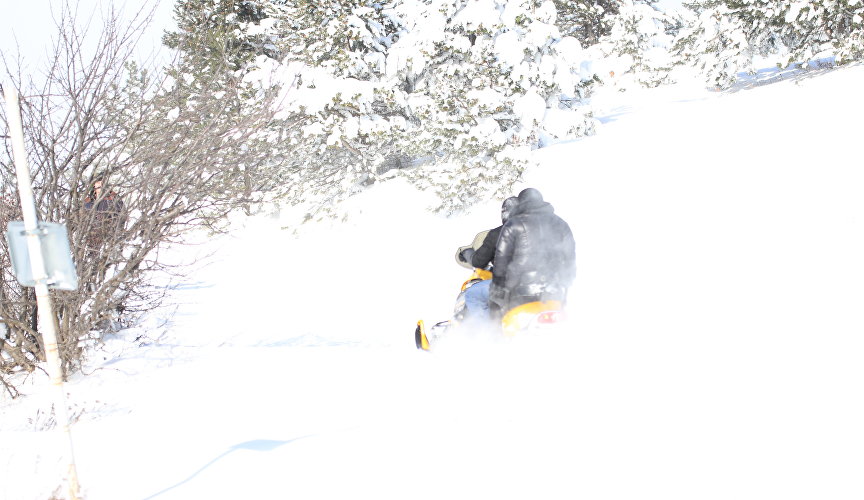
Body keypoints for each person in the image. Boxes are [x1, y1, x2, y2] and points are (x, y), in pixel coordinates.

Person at [489, 188, 575, 318]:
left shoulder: (513, 224)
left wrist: (498, 286)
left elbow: (501, 260)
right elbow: (570, 259)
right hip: (554, 289)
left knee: (499, 314)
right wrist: (565, 283)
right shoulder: (561, 224)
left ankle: (495, 337)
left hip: (519, 290)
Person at [456, 196, 519, 323]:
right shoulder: (538, 232)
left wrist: (466, 253)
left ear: (505, 213)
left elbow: (478, 261)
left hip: (510, 284)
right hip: (537, 284)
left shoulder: (498, 233)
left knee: (472, 295)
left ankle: (485, 333)